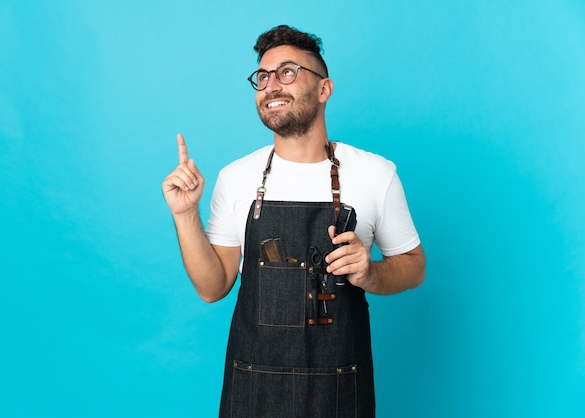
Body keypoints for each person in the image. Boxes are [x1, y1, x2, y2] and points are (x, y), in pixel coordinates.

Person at [162, 24, 425, 418]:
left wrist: (369, 273)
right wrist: (185, 214)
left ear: (324, 89)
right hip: (254, 386)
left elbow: (414, 268)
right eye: (263, 77)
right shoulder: (236, 177)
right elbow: (212, 287)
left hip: (339, 388)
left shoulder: (375, 173)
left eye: (287, 72)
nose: (271, 86)